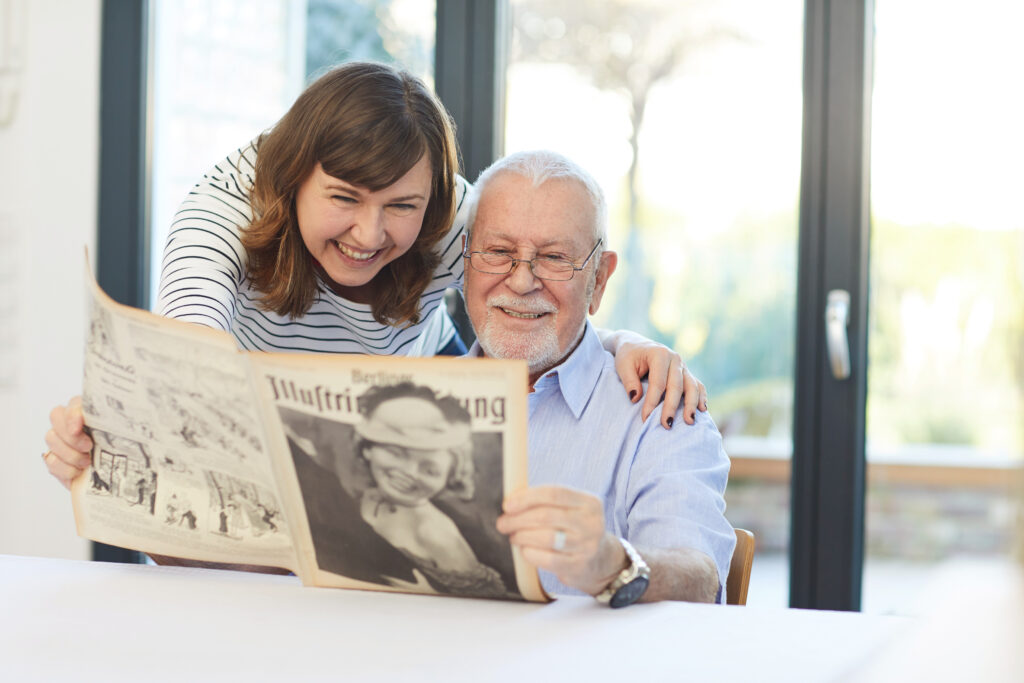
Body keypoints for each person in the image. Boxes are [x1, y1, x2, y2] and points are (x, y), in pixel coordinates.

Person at [43, 61, 706, 491]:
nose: (370, 234)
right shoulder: (221, 217)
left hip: (388, 452)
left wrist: (624, 346)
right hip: (260, 454)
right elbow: (184, 356)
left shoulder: (449, 217)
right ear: (295, 176)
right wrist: (106, 434)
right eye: (345, 198)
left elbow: (537, 277)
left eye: (400, 207)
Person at [461, 150, 736, 605]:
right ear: (467, 259)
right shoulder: (405, 394)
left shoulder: (660, 409)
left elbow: (701, 581)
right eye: (499, 252)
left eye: (553, 258)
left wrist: (615, 563)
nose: (522, 280)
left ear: (599, 280)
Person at [287, 383, 513, 598]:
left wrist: (429, 593)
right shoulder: (370, 494)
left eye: (430, 469)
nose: (408, 472)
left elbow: (487, 595)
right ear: (367, 451)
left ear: (450, 476)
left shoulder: (433, 533)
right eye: (395, 453)